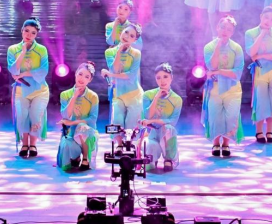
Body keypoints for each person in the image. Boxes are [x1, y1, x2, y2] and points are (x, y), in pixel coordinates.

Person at [201, 15, 245, 157]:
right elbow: (211, 66)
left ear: (232, 32)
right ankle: (215, 143)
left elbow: (237, 73)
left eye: (229, 29)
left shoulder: (236, 48)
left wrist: (218, 72)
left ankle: (226, 143)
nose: (225, 31)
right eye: (223, 27)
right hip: (214, 88)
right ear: (217, 28)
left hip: (232, 89)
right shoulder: (209, 47)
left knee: (230, 117)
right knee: (215, 117)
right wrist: (218, 46)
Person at [7, 17, 49, 157]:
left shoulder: (41, 50)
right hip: (21, 90)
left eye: (33, 33)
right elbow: (13, 70)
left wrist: (24, 73)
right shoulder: (13, 49)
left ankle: (33, 144)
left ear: (36, 35)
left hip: (39, 90)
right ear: (22, 31)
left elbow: (43, 71)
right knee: (22, 116)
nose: (29, 35)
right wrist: (23, 52)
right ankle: (24, 144)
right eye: (26, 31)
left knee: (35, 116)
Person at [245, 5, 272, 143]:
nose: (269, 21)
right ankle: (259, 132)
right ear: (261, 16)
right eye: (266, 17)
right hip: (261, 70)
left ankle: (269, 131)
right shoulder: (250, 33)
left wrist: (262, 55)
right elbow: (251, 52)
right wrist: (262, 34)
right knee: (261, 101)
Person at [101, 23, 143, 154]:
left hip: (134, 95)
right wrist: (119, 51)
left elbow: (130, 76)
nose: (127, 36)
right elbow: (115, 69)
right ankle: (119, 145)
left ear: (134, 40)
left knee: (131, 124)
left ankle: (130, 145)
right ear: (121, 32)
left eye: (131, 36)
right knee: (117, 120)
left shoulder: (136, 54)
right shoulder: (110, 52)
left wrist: (110, 75)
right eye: (126, 32)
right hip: (118, 94)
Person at [56, 62, 99, 171]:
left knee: (82, 128)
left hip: (87, 135)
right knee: (66, 157)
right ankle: (75, 157)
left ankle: (85, 158)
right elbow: (66, 115)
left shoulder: (93, 96)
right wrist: (74, 96)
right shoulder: (65, 94)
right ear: (75, 74)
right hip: (70, 135)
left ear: (90, 80)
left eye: (86, 77)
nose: (82, 78)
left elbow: (92, 120)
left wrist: (73, 123)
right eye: (80, 74)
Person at [140, 63, 182, 172]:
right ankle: (152, 159)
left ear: (171, 77)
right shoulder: (148, 95)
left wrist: (153, 120)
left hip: (165, 132)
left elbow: (172, 121)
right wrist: (156, 97)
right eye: (158, 78)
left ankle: (169, 159)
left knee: (168, 128)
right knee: (149, 167)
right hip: (151, 133)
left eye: (165, 77)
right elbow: (147, 116)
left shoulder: (177, 99)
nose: (162, 81)